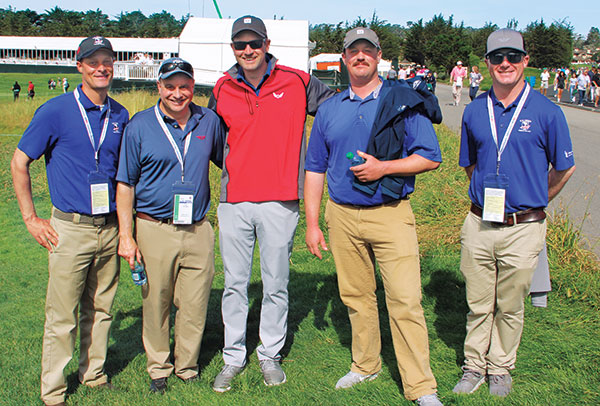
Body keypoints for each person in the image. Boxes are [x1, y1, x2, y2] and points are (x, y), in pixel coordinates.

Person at [304, 27, 444, 406]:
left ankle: (421, 387)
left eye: (368, 51)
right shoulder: (330, 108)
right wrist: (313, 223)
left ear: (378, 56)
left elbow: (429, 156)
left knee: (405, 299)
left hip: (390, 215)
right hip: (343, 217)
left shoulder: (402, 101)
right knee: (356, 296)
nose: (361, 57)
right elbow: (315, 167)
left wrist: (384, 169)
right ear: (344, 59)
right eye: (354, 51)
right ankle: (366, 365)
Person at [208, 15, 334, 392]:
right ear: (233, 48)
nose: (248, 51)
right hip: (235, 200)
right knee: (234, 283)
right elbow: (214, 140)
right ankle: (233, 357)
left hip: (281, 200)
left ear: (266, 43)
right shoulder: (223, 86)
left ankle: (270, 353)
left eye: (254, 43)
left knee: (276, 283)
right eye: (240, 45)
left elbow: (335, 112)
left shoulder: (298, 80)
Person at [454, 28, 575, 397]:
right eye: (496, 58)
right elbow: (469, 164)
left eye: (512, 57)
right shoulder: (475, 111)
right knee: (478, 302)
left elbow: (564, 167)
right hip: (479, 222)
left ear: (524, 61)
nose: (504, 64)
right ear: (487, 64)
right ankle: (474, 365)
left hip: (524, 226)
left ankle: (501, 366)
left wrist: (536, 198)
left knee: (509, 305)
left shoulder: (546, 112)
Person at [10, 36, 129, 406]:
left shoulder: (120, 114)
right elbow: (19, 162)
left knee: (102, 308)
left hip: (109, 227)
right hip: (70, 228)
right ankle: (54, 391)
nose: (101, 67)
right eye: (92, 61)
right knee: (62, 315)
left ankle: (92, 374)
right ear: (79, 67)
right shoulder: (55, 110)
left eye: (106, 60)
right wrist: (30, 218)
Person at [116, 57, 224, 394]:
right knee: (156, 300)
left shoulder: (210, 120)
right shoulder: (140, 125)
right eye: (171, 86)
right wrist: (126, 235)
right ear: (159, 87)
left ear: (193, 87)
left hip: (197, 228)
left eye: (185, 86)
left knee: (194, 302)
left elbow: (230, 160)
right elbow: (125, 183)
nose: (178, 93)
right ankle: (159, 367)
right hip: (154, 228)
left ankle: (187, 366)